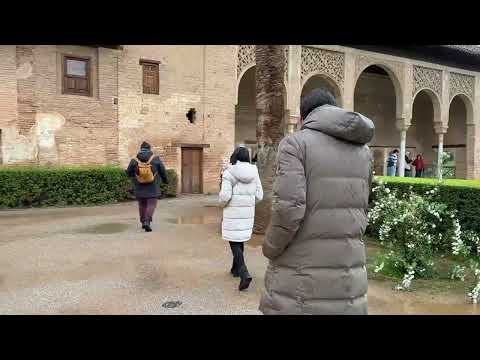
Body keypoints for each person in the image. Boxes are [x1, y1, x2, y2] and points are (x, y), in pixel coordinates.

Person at [259, 88, 374, 315]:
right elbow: (363, 205)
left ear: (304, 117)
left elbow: (288, 210)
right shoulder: (364, 151)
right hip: (348, 271)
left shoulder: (296, 144)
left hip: (302, 274)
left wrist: (270, 247)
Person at [219, 147, 263, 291]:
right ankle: (235, 269)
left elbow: (224, 196)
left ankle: (244, 273)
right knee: (239, 239)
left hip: (232, 212)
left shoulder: (228, 173)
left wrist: (222, 204)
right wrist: (248, 203)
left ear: (235, 157)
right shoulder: (254, 172)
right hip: (247, 213)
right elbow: (259, 195)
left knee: (234, 242)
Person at [126, 141, 168, 232]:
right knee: (151, 204)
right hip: (153, 187)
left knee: (142, 204)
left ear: (140, 149)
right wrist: (165, 181)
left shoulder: (134, 160)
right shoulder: (155, 158)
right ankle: (147, 221)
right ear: (149, 149)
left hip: (139, 187)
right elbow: (163, 171)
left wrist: (135, 176)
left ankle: (143, 222)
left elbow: (128, 173)